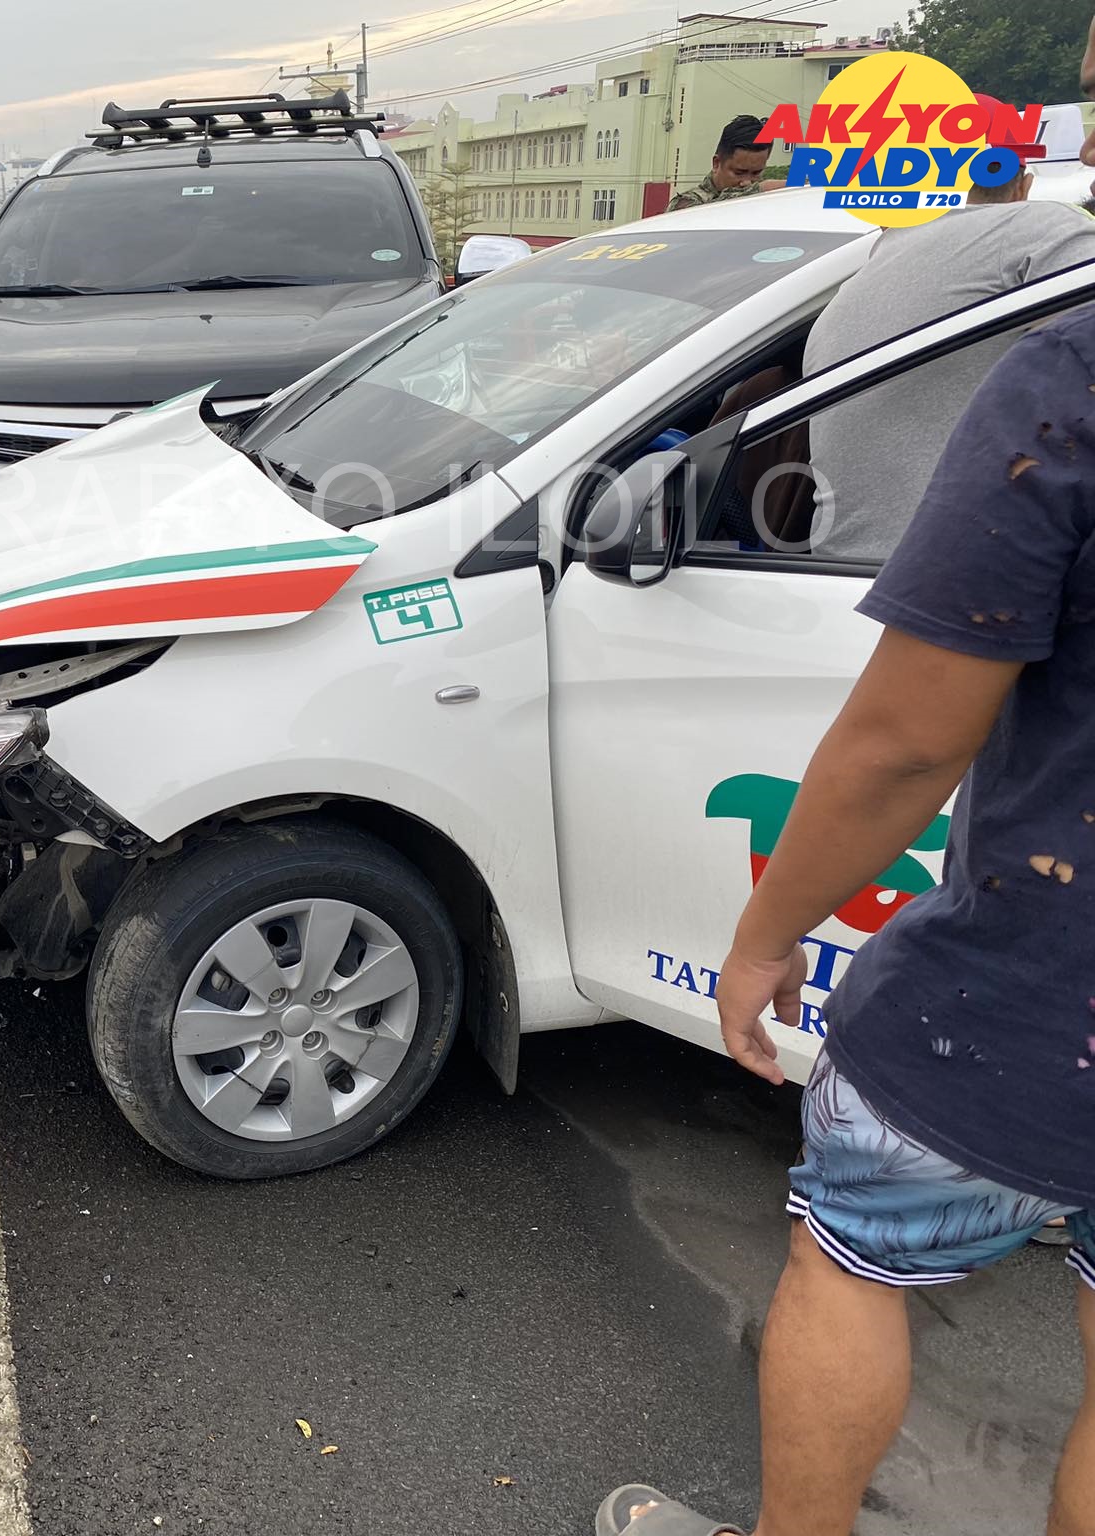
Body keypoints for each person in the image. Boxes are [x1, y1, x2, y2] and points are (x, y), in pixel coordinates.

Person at [595, 47, 1095, 1536]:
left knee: (856, 1258)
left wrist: (766, 939)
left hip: (1031, 993)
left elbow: (904, 742)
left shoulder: (1054, 352)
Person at [803, 98, 1095, 560]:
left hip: (837, 573)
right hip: (961, 586)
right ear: (1023, 186)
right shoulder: (1037, 227)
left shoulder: (854, 281)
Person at [667, 116, 776, 211]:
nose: (747, 183)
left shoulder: (764, 203)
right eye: (739, 173)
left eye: (756, 173)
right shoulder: (687, 203)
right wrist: (762, 189)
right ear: (716, 163)